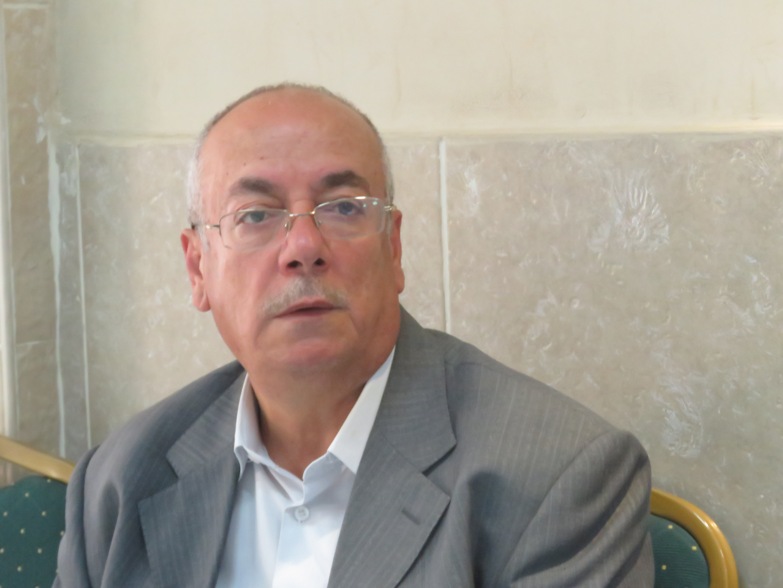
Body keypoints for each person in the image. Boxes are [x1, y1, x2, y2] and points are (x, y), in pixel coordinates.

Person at [55, 83, 653, 587]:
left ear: (394, 249)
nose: (304, 247)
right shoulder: (120, 481)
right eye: (256, 215)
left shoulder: (555, 478)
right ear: (197, 269)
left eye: (343, 207)